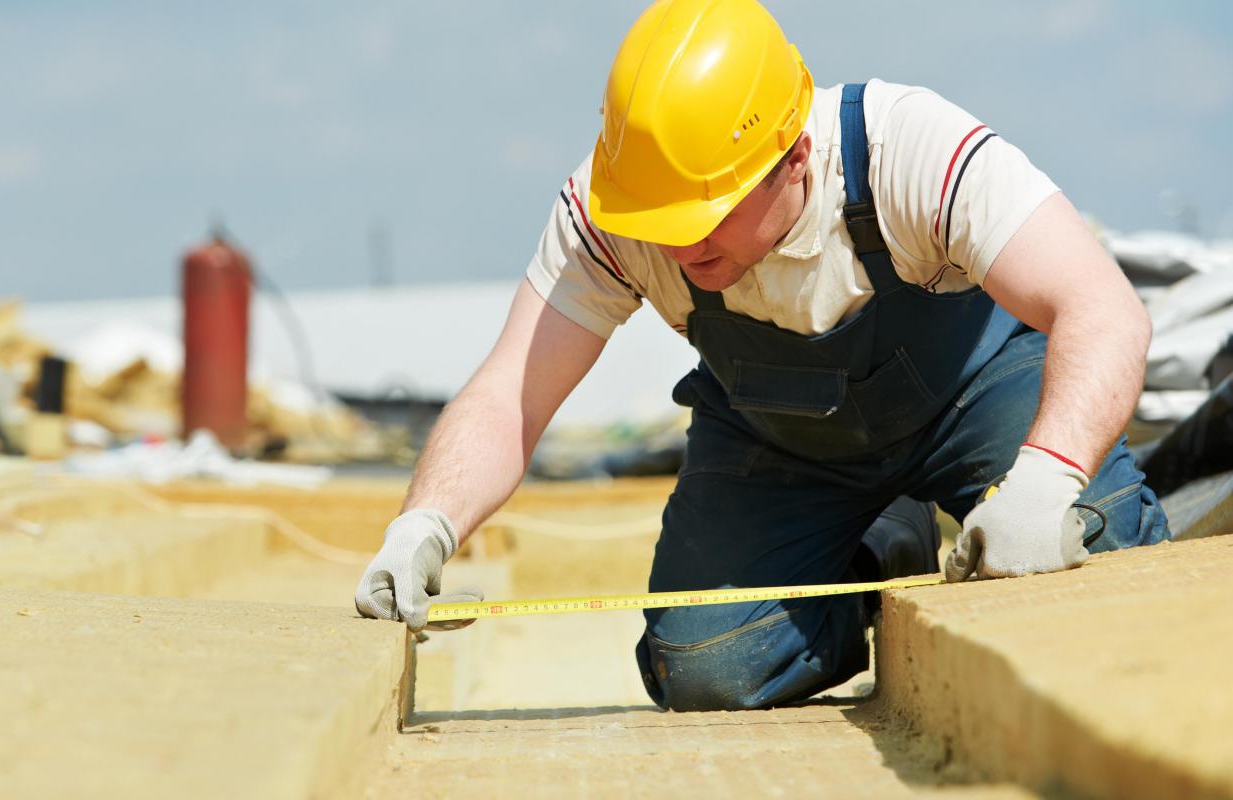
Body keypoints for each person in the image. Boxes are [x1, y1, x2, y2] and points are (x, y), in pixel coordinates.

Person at [354, 0, 1170, 711]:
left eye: (706, 214)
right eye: (660, 221)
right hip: (783, 441)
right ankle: (888, 545)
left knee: (1097, 543)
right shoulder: (617, 210)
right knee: (707, 664)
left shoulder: (907, 149)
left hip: (973, 399)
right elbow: (510, 394)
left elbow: (1103, 308)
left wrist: (1042, 482)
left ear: (797, 156)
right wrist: (424, 525)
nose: (679, 243)